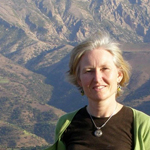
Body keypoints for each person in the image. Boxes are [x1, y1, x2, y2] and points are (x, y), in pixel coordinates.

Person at [45, 31, 150, 150]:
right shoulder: (66, 123)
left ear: (119, 75)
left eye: (105, 69)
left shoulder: (142, 125)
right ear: (79, 79)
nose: (97, 78)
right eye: (89, 71)